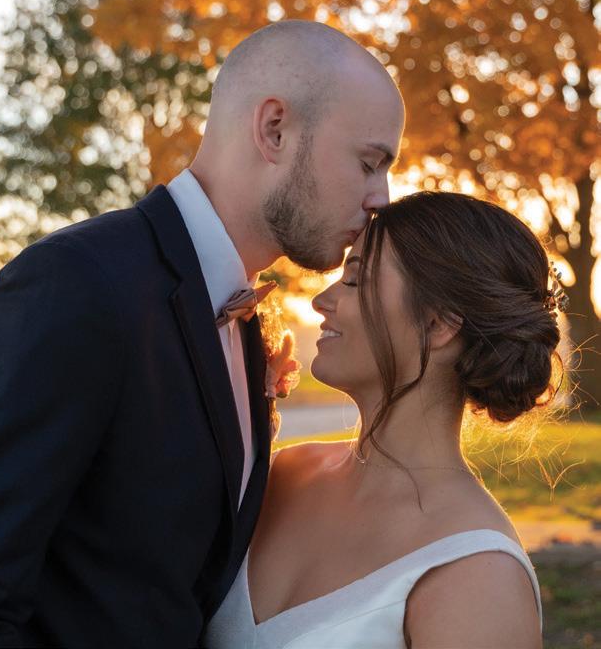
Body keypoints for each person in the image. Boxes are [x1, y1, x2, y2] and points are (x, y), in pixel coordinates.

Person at [0, 19, 404, 647]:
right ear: (274, 129)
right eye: (369, 163)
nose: (380, 198)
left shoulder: (240, 317)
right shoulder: (78, 284)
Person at [204, 191, 560, 648]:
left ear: (438, 325)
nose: (320, 300)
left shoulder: (478, 576)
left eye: (355, 281)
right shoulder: (285, 474)